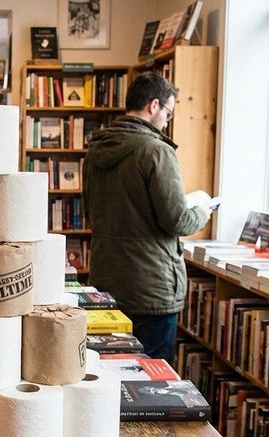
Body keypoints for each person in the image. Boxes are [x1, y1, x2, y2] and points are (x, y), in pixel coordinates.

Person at [83, 72, 211, 363]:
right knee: (151, 382)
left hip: (106, 280)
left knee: (109, 373)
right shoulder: (156, 151)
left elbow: (91, 211)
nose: (167, 120)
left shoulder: (96, 149)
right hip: (150, 287)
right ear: (154, 106)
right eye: (168, 112)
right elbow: (178, 220)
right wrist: (202, 211)